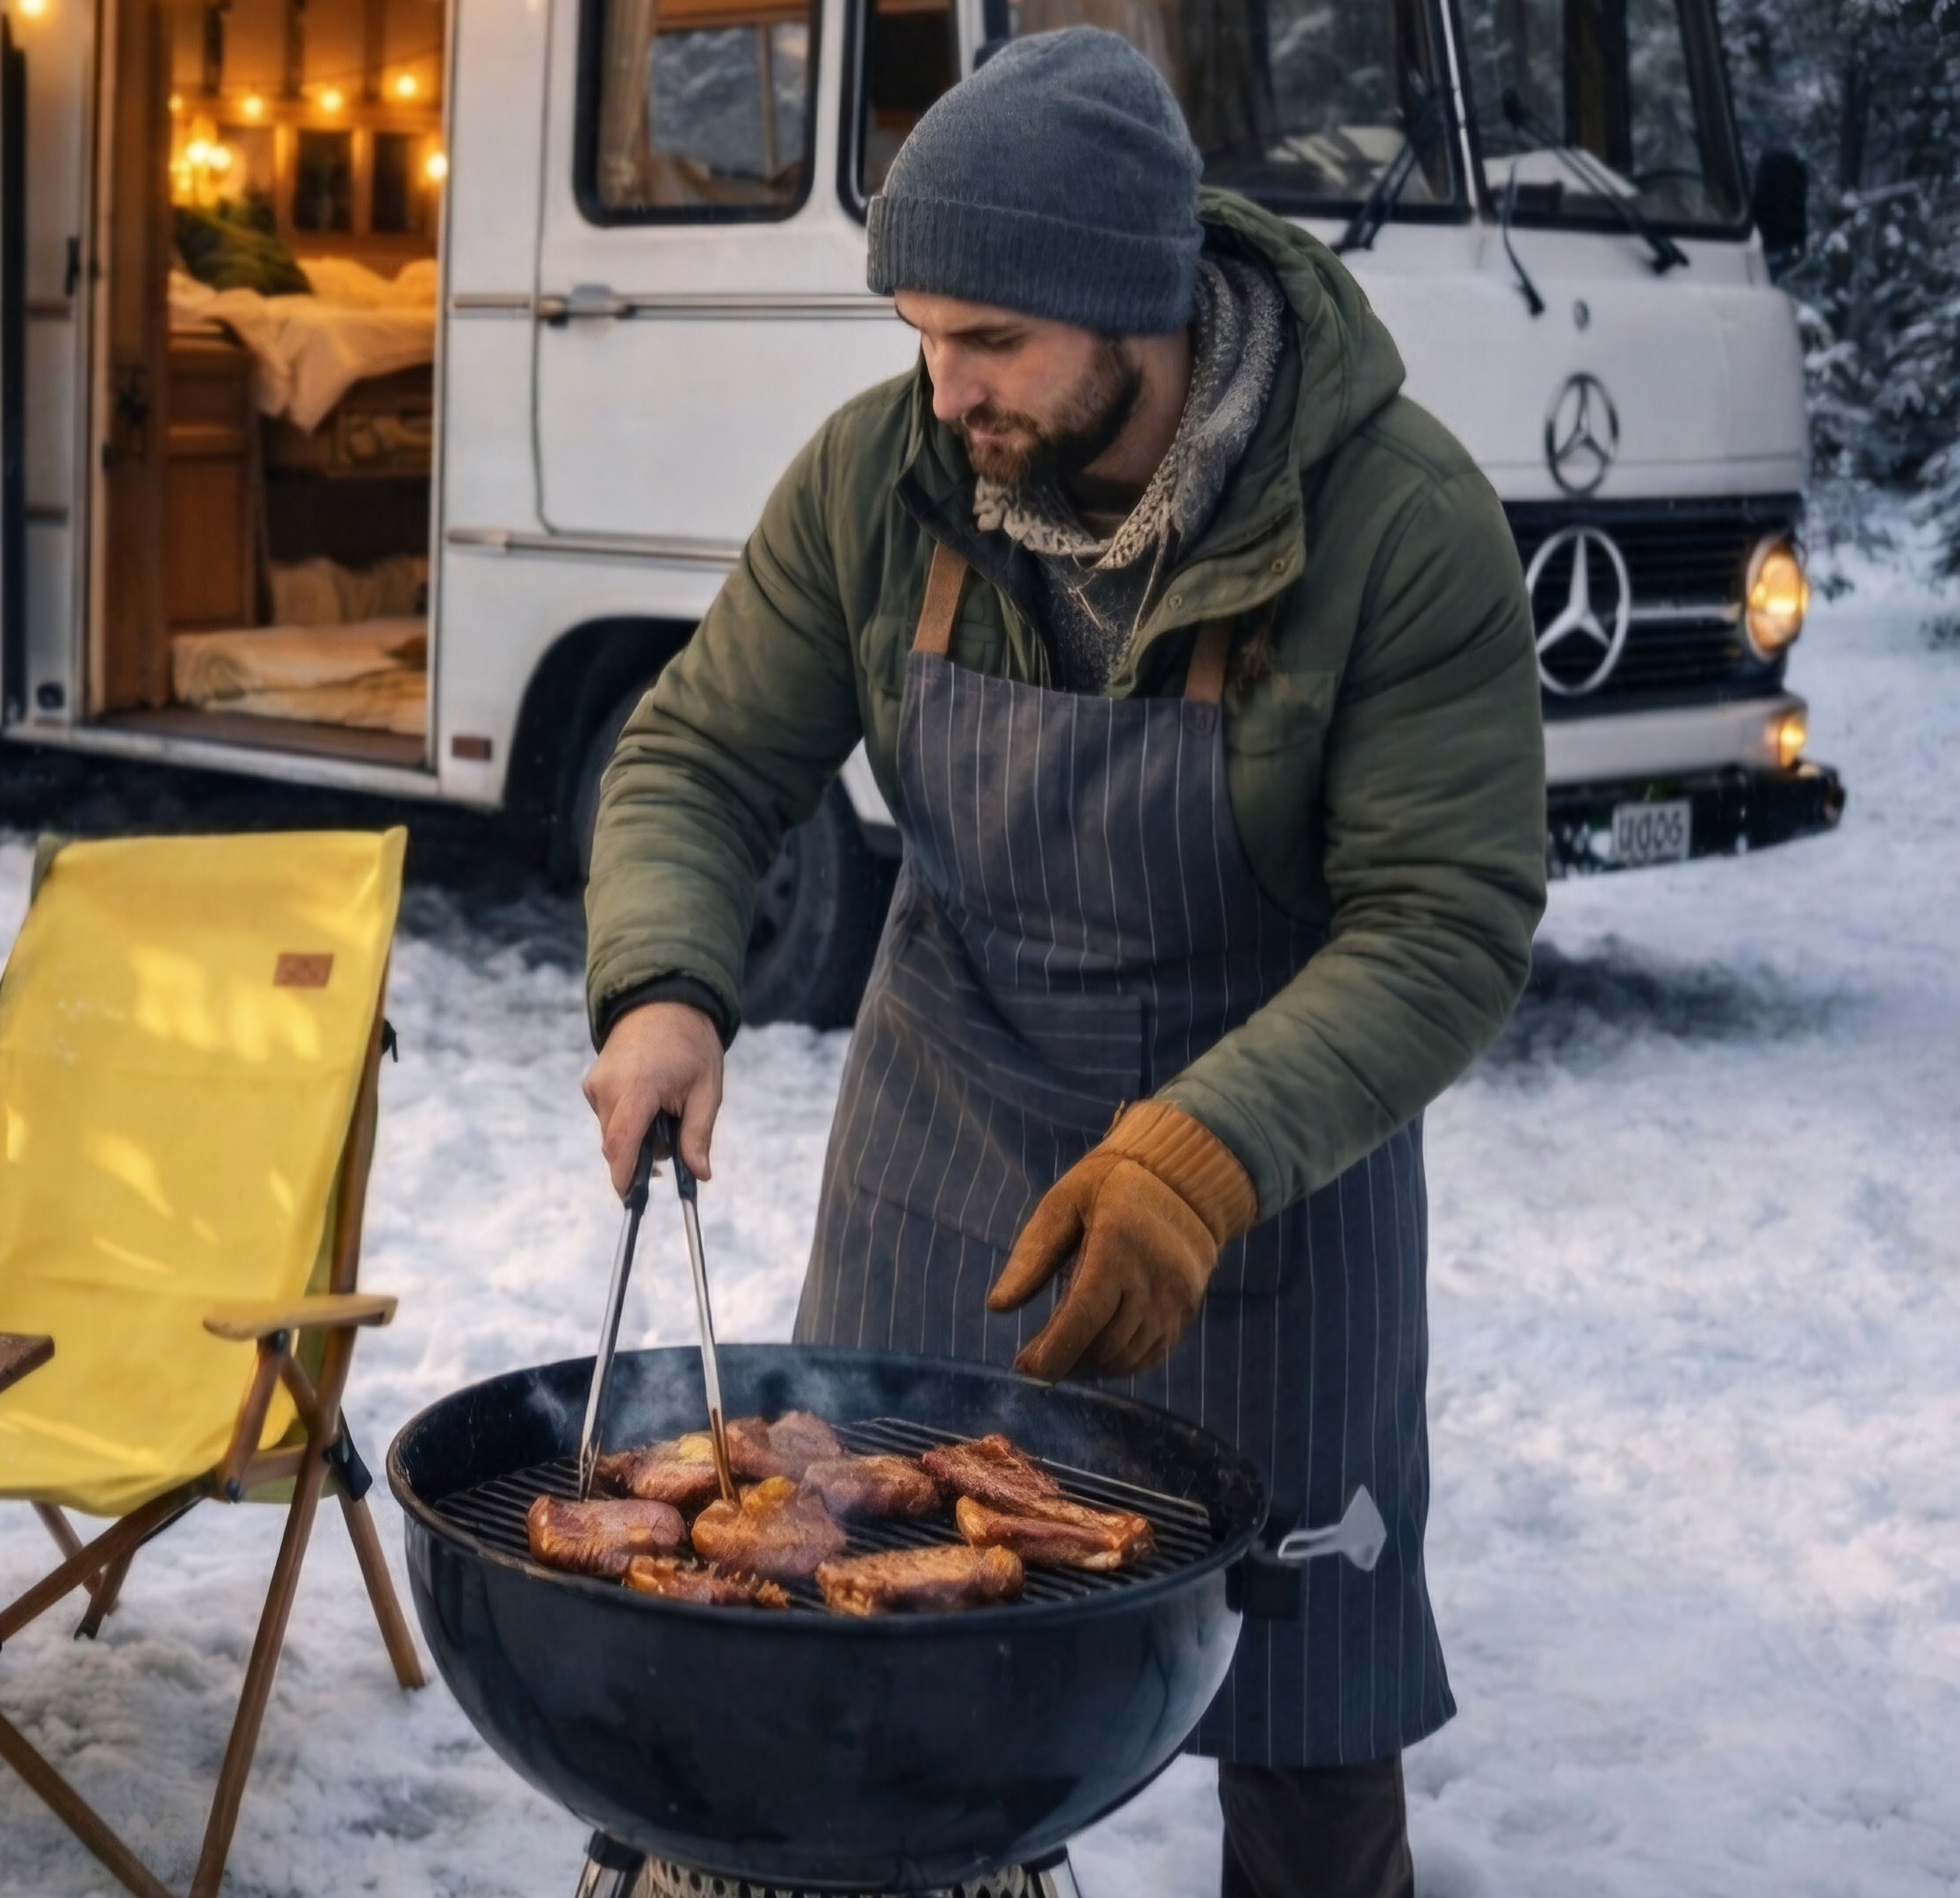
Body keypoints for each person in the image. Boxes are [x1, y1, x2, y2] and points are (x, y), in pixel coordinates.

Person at [579, 33, 1543, 1898]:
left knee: (1308, 1723)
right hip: (949, 1135)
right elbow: (697, 754)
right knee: (864, 1669)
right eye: (924, 336)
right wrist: (667, 990)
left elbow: (1446, 919)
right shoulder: (884, 483)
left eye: (992, 342)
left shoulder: (1396, 523)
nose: (947, 391)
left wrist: (1201, 1155)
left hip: (1265, 1186)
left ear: (1139, 306)